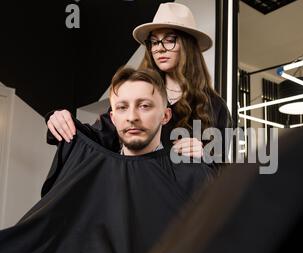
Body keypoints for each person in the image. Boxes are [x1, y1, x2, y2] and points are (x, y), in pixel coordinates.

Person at [0, 66, 214, 253]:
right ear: (112, 117)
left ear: (165, 115)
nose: (132, 116)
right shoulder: (90, 167)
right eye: (122, 107)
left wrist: (202, 163)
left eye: (144, 106)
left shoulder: (187, 172)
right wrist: (57, 118)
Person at [45, 2, 232, 165]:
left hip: (186, 202)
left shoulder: (215, 107)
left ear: (188, 46)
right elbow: (96, 136)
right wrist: (62, 120)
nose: (159, 48)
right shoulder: (134, 97)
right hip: (137, 192)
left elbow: (222, 174)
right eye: (154, 42)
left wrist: (205, 155)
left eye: (169, 40)